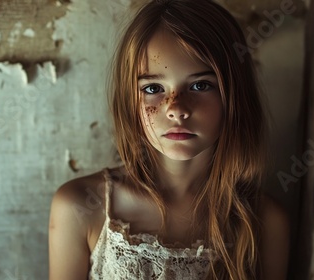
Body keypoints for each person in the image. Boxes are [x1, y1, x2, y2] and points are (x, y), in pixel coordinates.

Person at [49, 0, 290, 279]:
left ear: (234, 96)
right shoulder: (80, 207)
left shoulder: (264, 222)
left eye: (200, 85)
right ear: (130, 101)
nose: (176, 108)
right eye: (153, 88)